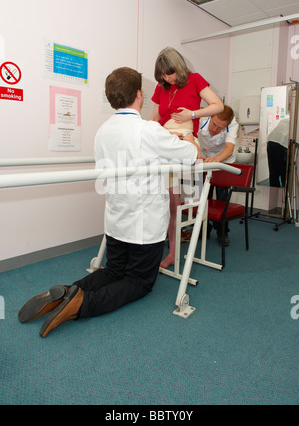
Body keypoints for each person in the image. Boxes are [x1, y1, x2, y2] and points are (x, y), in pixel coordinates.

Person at [18, 67, 199, 338]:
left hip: (116, 220)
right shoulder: (148, 130)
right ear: (139, 94)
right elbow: (191, 155)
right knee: (139, 281)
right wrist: (189, 139)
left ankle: (68, 292)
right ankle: (82, 304)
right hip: (144, 226)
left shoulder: (102, 132)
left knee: (114, 270)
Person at [150, 47, 224, 268]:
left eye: (170, 73)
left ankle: (178, 249)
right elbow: (154, 118)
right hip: (165, 141)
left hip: (185, 141)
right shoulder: (160, 87)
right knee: (170, 204)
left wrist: (191, 114)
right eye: (162, 74)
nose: (167, 78)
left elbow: (218, 105)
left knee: (182, 202)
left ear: (179, 68)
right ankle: (168, 251)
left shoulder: (194, 79)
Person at [198, 105, 239, 245]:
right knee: (204, 197)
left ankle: (222, 231)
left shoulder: (233, 124)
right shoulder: (202, 117)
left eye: (220, 128)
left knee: (222, 198)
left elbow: (229, 149)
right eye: (213, 124)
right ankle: (203, 229)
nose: (214, 130)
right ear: (210, 117)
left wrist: (216, 160)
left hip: (224, 161)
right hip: (204, 160)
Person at [267, 117, 290, 187]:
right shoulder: (294, 123)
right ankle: (284, 192)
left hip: (270, 141)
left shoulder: (285, 120)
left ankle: (274, 192)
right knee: (284, 171)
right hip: (281, 143)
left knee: (273, 172)